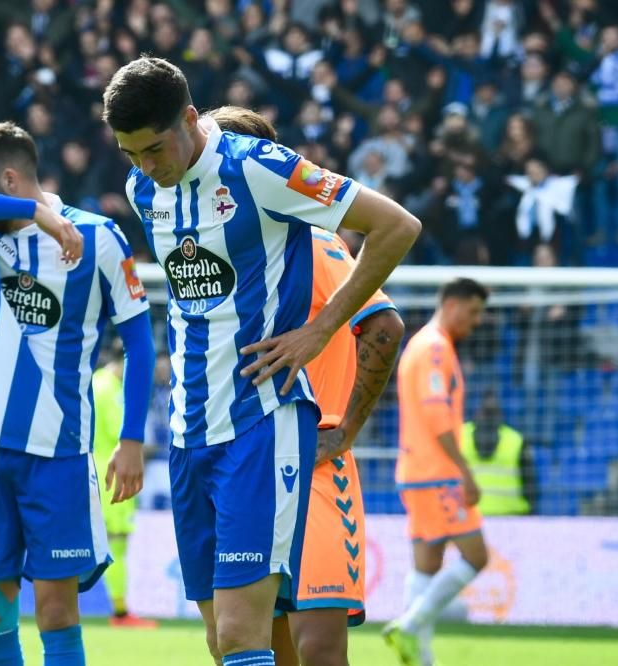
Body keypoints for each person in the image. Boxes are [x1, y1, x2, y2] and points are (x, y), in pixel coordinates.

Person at [103, 57, 421, 666]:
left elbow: (396, 226)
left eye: (153, 148)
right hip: (189, 431)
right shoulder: (144, 189)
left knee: (249, 632)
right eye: (129, 153)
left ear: (190, 119)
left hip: (261, 422)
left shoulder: (258, 168)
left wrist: (319, 330)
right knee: (223, 640)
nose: (145, 165)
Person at [0, 121, 155, 666]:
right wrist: (34, 213)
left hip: (61, 454)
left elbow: (140, 344)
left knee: (57, 611)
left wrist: (131, 439)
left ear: (8, 179)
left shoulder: (99, 237)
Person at [206, 106, 406, 666]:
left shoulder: (312, 244)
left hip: (314, 464)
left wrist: (344, 430)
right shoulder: (229, 255)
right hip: (249, 460)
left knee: (318, 652)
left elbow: (384, 326)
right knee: (254, 645)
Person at [383, 278, 490, 666]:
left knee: (427, 564)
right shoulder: (434, 348)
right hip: (437, 474)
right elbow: (435, 412)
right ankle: (411, 624)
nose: (476, 321)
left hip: (415, 470)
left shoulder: (420, 345)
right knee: (477, 556)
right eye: (473, 311)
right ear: (451, 303)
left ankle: (420, 658)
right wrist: (464, 471)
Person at [92, 339, 159, 629]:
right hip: (111, 475)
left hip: (97, 472)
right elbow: (122, 434)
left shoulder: (96, 382)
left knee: (107, 544)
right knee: (116, 546)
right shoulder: (111, 389)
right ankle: (120, 614)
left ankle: (118, 610)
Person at [460, 390, 536, 516]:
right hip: (512, 517)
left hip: (469, 516)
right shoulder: (516, 440)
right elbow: (531, 486)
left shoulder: (460, 435)